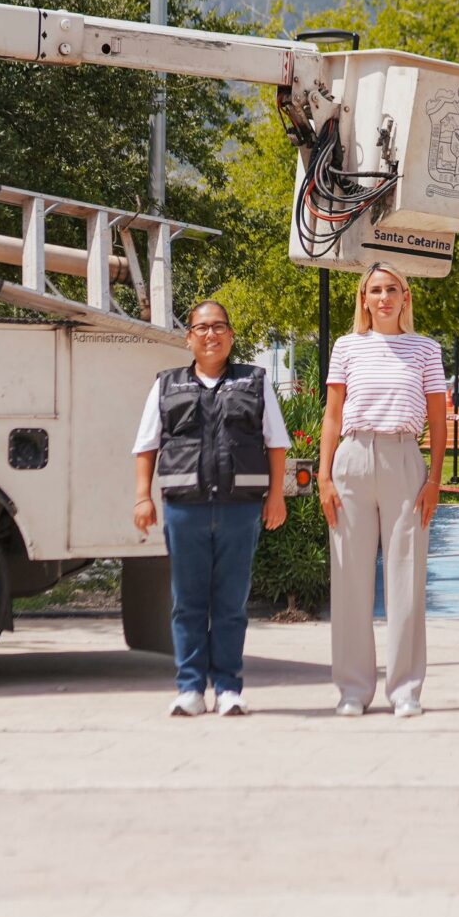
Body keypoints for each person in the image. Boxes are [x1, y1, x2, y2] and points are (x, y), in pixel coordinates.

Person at [132, 300, 290, 717]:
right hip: (186, 509)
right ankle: (189, 689)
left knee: (230, 603)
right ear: (189, 337)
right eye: (202, 328)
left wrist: (276, 497)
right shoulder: (167, 385)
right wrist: (142, 497)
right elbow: (146, 445)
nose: (211, 335)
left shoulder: (254, 382)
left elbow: (276, 442)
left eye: (219, 327)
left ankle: (228, 688)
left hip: (240, 509)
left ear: (231, 336)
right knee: (187, 602)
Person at [318, 263, 450, 717]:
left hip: (403, 458)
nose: (384, 297)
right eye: (375, 290)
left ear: (405, 297)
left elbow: (437, 419)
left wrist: (434, 478)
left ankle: (405, 689)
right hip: (351, 459)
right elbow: (332, 415)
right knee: (349, 578)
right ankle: (353, 689)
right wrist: (324, 476)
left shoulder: (425, 350)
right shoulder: (346, 347)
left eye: (392, 289)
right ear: (364, 299)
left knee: (406, 578)